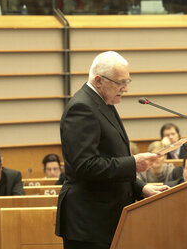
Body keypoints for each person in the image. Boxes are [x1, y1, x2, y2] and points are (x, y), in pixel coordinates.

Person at [55, 51, 168, 249]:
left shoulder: (102, 102)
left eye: (127, 81)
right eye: (120, 83)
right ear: (99, 80)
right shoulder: (82, 108)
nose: (126, 89)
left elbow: (110, 158)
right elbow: (85, 166)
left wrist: (140, 187)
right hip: (89, 225)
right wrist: (133, 163)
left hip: (104, 221)